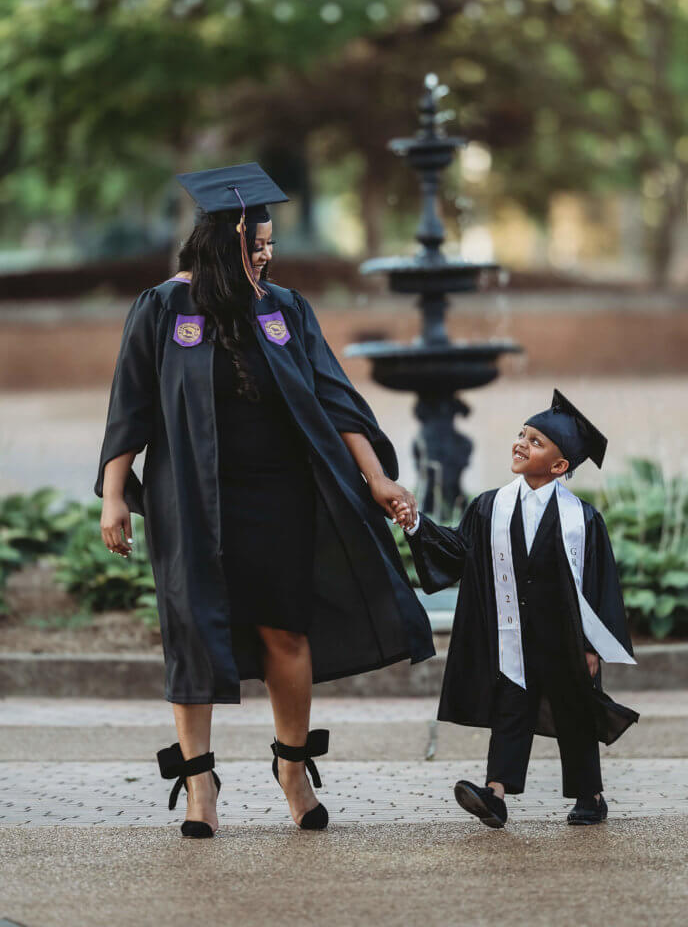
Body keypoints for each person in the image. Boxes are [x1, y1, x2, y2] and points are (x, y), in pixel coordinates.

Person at [96, 161, 434, 837]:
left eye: (271, 247)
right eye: (258, 247)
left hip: (280, 497)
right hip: (188, 499)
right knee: (191, 634)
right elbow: (128, 407)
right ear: (226, 245)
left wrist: (375, 476)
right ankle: (199, 787)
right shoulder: (164, 307)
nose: (268, 256)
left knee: (286, 629)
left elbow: (335, 397)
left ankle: (292, 768)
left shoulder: (284, 310)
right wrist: (113, 495)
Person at [393, 389, 639, 828]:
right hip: (512, 633)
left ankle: (590, 795)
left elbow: (598, 586)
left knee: (574, 710)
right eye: (522, 434)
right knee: (511, 707)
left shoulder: (582, 520)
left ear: (559, 466)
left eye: (537, 441)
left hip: (564, 636)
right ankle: (495, 794)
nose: (522, 443)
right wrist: (416, 524)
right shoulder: (489, 507)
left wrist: (592, 647)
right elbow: (456, 553)